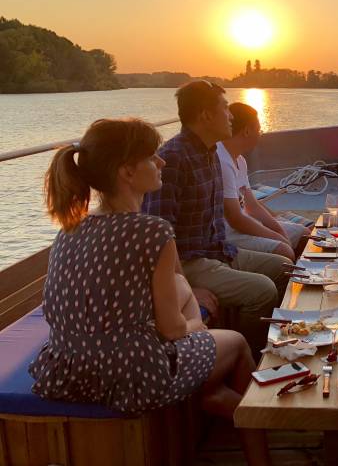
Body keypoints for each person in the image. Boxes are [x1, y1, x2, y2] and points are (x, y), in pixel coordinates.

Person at [30, 118, 270, 466]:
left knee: (186, 300)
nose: (162, 162)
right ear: (128, 171)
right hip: (132, 375)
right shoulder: (152, 232)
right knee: (235, 342)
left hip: (67, 370)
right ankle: (259, 449)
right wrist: (197, 328)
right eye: (152, 157)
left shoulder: (71, 228)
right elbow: (172, 330)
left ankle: (214, 394)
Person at [142, 81, 293, 353]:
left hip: (218, 250)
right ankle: (251, 354)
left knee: (284, 267)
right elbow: (158, 238)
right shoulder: (173, 159)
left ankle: (279, 340)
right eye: (225, 107)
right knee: (263, 290)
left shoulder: (209, 153)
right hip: (189, 262)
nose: (231, 115)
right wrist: (185, 288)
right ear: (205, 115)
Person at [218, 103, 310, 261]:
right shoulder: (222, 162)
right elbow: (236, 220)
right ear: (247, 131)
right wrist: (277, 238)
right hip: (229, 232)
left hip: (245, 223)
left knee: (304, 234)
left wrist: (278, 230)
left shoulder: (240, 160)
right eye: (258, 129)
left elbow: (252, 206)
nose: (260, 134)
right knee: (284, 250)